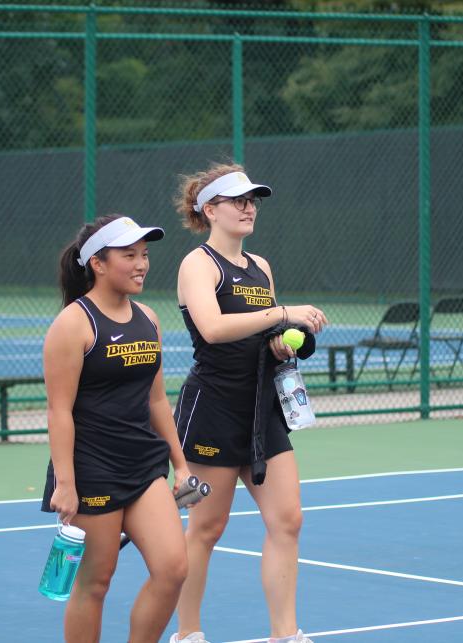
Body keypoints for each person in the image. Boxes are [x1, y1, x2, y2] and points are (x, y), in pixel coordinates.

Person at [168, 163, 328, 643]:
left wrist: (282, 342)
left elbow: (266, 333)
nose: (247, 207)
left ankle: (286, 634)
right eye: (237, 200)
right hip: (212, 412)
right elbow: (214, 330)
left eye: (252, 200)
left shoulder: (261, 267)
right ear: (209, 209)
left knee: (289, 519)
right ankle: (188, 634)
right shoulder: (198, 264)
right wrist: (281, 312)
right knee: (206, 526)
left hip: (263, 410)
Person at [41, 215, 192, 643]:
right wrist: (66, 484)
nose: (142, 263)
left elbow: (157, 400)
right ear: (98, 264)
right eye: (130, 255)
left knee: (173, 568)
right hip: (93, 469)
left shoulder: (148, 317)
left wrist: (180, 465)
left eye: (144, 255)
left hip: (144, 465)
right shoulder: (74, 324)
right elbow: (59, 412)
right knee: (96, 582)